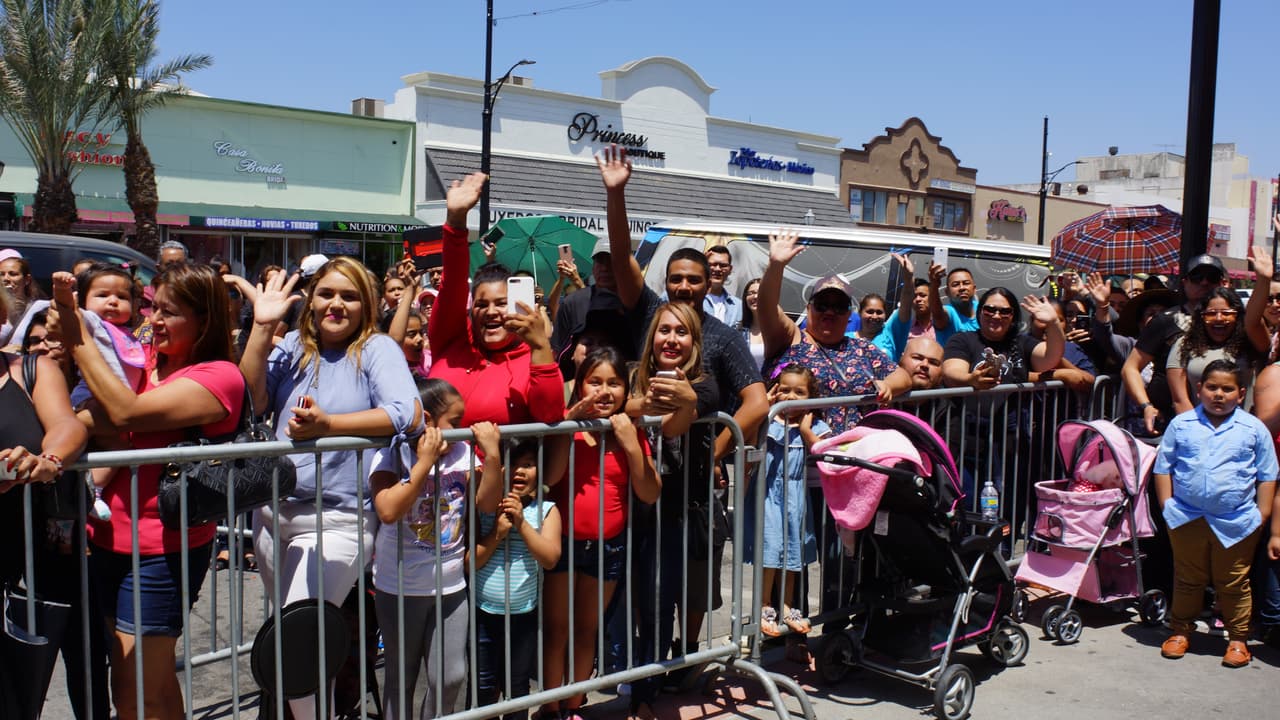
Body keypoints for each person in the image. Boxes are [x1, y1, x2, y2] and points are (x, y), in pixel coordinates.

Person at [52, 262, 241, 720]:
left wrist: (78, 334)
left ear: (204, 321)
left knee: (134, 694)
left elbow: (125, 413)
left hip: (162, 550)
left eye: (169, 312)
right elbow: (96, 416)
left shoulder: (218, 376)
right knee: (151, 686)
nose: (153, 320)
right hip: (107, 541)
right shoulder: (144, 359)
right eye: (154, 307)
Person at [240, 255, 421, 720]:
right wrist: (263, 329)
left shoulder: (378, 348)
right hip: (271, 516)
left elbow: (408, 412)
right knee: (294, 642)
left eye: (349, 295)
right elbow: (250, 397)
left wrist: (328, 426)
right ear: (312, 300)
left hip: (338, 522)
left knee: (296, 646)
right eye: (327, 293)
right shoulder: (295, 343)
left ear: (367, 304)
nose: (336, 304)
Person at [369, 379, 502, 720]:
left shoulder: (461, 453)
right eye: (454, 422)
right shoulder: (390, 454)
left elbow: (486, 504)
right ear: (427, 419)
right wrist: (424, 463)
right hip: (400, 588)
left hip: (451, 585)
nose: (460, 429)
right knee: (401, 680)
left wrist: (492, 455)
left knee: (451, 676)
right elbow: (387, 510)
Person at [538, 347, 660, 720]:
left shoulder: (630, 431)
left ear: (626, 389)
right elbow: (551, 478)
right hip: (565, 543)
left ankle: (574, 704)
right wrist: (568, 424)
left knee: (587, 629)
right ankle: (550, 704)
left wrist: (630, 445)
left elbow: (649, 492)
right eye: (595, 382)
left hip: (610, 545)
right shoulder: (569, 428)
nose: (604, 391)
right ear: (579, 385)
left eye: (614, 383)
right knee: (556, 629)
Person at [1153, 359, 1276, 668]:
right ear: (1199, 389)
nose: (1218, 395)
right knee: (1188, 578)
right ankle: (1180, 630)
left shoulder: (1253, 428)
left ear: (1241, 392)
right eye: (1212, 387)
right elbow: (1163, 466)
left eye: (1227, 388)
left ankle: (1238, 639)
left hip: (1236, 520)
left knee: (1233, 581)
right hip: (1186, 517)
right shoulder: (1182, 424)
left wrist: (1261, 514)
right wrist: (1167, 504)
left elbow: (1268, 473)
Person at [625, 302, 715, 717]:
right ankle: (628, 675)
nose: (671, 340)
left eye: (682, 332)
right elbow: (621, 408)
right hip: (629, 510)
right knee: (634, 603)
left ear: (694, 342)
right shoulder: (632, 377)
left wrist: (685, 401)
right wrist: (640, 405)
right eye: (664, 331)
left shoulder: (704, 383)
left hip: (676, 511)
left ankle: (646, 692)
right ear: (652, 337)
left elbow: (680, 425)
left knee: (661, 602)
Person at [428, 172, 566, 427]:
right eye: (481, 304)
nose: (491, 312)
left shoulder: (533, 357)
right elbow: (453, 286)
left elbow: (550, 415)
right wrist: (456, 222)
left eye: (501, 303)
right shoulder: (452, 340)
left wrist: (540, 348)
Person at [757, 228, 911, 433]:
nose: (830, 312)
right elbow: (767, 307)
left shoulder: (862, 348)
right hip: (795, 452)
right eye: (822, 304)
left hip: (853, 452)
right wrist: (776, 266)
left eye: (839, 307)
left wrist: (888, 385)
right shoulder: (791, 338)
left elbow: (903, 377)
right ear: (808, 308)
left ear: (849, 315)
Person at [941, 287, 1064, 504]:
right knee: (964, 503)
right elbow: (951, 371)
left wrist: (1053, 324)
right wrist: (971, 380)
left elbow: (1050, 358)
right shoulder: (963, 339)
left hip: (1008, 445)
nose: (996, 315)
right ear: (980, 312)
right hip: (966, 441)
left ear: (1013, 317)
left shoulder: (1022, 343)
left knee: (1006, 507)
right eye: (990, 309)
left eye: (1004, 311)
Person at [473, 439, 562, 720]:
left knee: (517, 686)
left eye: (528, 465)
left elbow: (550, 558)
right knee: (483, 687)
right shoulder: (485, 510)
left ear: (540, 471)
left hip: (523, 615)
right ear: (498, 470)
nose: (520, 472)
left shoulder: (546, 510)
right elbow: (471, 562)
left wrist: (522, 524)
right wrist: (497, 534)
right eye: (512, 465)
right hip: (483, 614)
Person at [744, 364, 829, 638]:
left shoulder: (812, 424)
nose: (791, 397)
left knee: (793, 550)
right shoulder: (768, 419)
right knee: (770, 549)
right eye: (785, 390)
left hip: (796, 494)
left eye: (799, 392)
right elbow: (744, 437)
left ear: (811, 396)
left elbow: (825, 450)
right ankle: (764, 605)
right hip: (768, 493)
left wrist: (806, 431)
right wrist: (763, 410)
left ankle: (788, 604)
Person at [1122, 254, 1233, 436]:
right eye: (1197, 277)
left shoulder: (1234, 322)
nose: (1204, 283)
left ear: (1222, 283)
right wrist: (1146, 406)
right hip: (1168, 420)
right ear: (1185, 282)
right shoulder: (1165, 320)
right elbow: (1131, 368)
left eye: (1212, 277)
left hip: (1222, 422)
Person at [1167, 288, 1258, 414]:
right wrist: (1194, 428)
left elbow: (1256, 318)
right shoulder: (1184, 345)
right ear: (1201, 316)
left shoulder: (1251, 342)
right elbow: (1179, 400)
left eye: (1227, 313)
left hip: (1245, 427)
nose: (1219, 318)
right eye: (1211, 314)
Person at [931, 265, 979, 347]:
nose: (962, 288)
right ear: (947, 292)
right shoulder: (949, 312)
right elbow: (937, 313)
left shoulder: (983, 310)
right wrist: (934, 285)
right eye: (955, 285)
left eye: (966, 283)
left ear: (974, 289)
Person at [702, 245, 742, 328]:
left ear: (730, 269)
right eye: (712, 264)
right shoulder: (692, 299)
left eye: (723, 265)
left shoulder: (738, 306)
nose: (717, 269)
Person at [740, 278, 766, 370]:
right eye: (751, 293)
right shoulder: (737, 331)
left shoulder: (779, 330)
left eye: (759, 292)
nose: (755, 297)